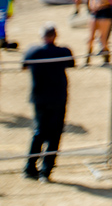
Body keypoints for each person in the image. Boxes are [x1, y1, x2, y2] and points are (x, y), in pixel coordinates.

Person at [22, 22, 74, 181]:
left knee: (39, 132)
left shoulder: (33, 51)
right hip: (58, 96)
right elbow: (71, 64)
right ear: (55, 36)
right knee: (55, 134)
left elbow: (24, 65)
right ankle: (46, 170)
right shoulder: (64, 51)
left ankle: (30, 166)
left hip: (40, 97)